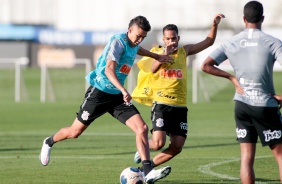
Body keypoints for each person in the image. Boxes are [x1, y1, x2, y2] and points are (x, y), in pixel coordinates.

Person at [39, 15, 173, 183]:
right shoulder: (118, 42)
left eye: (143, 37)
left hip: (116, 97)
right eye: (138, 35)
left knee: (142, 128)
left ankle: (147, 172)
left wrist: (157, 57)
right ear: (129, 30)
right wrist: (123, 89)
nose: (140, 40)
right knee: (74, 132)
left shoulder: (134, 44)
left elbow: (137, 49)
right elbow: (109, 70)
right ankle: (49, 142)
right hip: (99, 93)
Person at [131, 13, 225, 173]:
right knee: (158, 143)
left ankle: (149, 166)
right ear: (163, 39)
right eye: (167, 39)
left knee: (177, 146)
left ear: (178, 38)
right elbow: (152, 69)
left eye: (173, 38)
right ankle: (144, 147)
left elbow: (208, 42)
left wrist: (214, 25)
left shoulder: (184, 51)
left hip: (180, 106)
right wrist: (164, 54)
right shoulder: (156, 52)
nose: (171, 41)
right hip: (161, 104)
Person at [201, 1, 282, 183]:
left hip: (242, 105)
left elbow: (205, 65)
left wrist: (232, 78)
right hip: (265, 105)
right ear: (262, 18)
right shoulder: (273, 42)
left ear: (244, 19)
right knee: (280, 155)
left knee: (246, 158)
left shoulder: (231, 42)